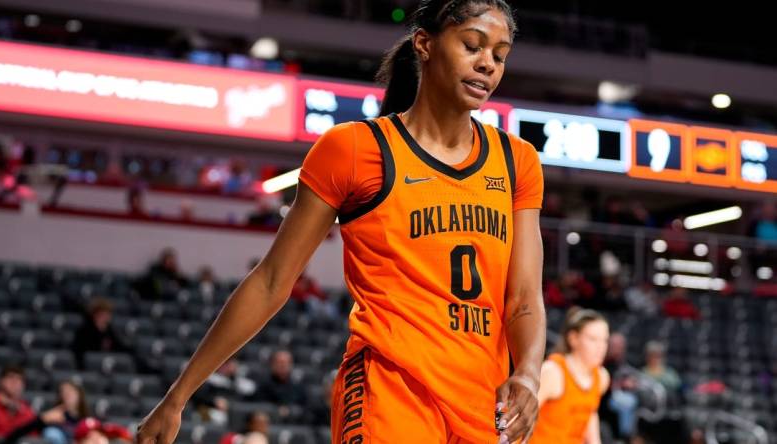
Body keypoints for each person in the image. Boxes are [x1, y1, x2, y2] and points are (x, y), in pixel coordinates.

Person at [136, 1, 546, 443]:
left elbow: (523, 296)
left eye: (499, 55)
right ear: (424, 44)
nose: (487, 63)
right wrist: (178, 396)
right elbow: (271, 281)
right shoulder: (353, 150)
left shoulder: (516, 161)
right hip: (387, 389)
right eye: (472, 46)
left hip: (481, 403)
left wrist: (527, 375)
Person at [529, 308, 610, 444]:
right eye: (593, 339)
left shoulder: (602, 377)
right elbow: (521, 418)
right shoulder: (552, 372)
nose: (601, 347)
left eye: (605, 340)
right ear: (573, 339)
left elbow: (590, 413)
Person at [72, 298, 131, 369]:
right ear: (96, 314)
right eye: (104, 314)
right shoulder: (84, 331)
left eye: (108, 314)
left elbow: (119, 346)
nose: (107, 317)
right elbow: (79, 352)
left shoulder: (109, 331)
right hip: (88, 366)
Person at [0, 366, 36, 442]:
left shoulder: (27, 412)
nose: (15, 382)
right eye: (10, 378)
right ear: (0, 381)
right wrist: (1, 439)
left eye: (19, 379)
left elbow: (33, 438)